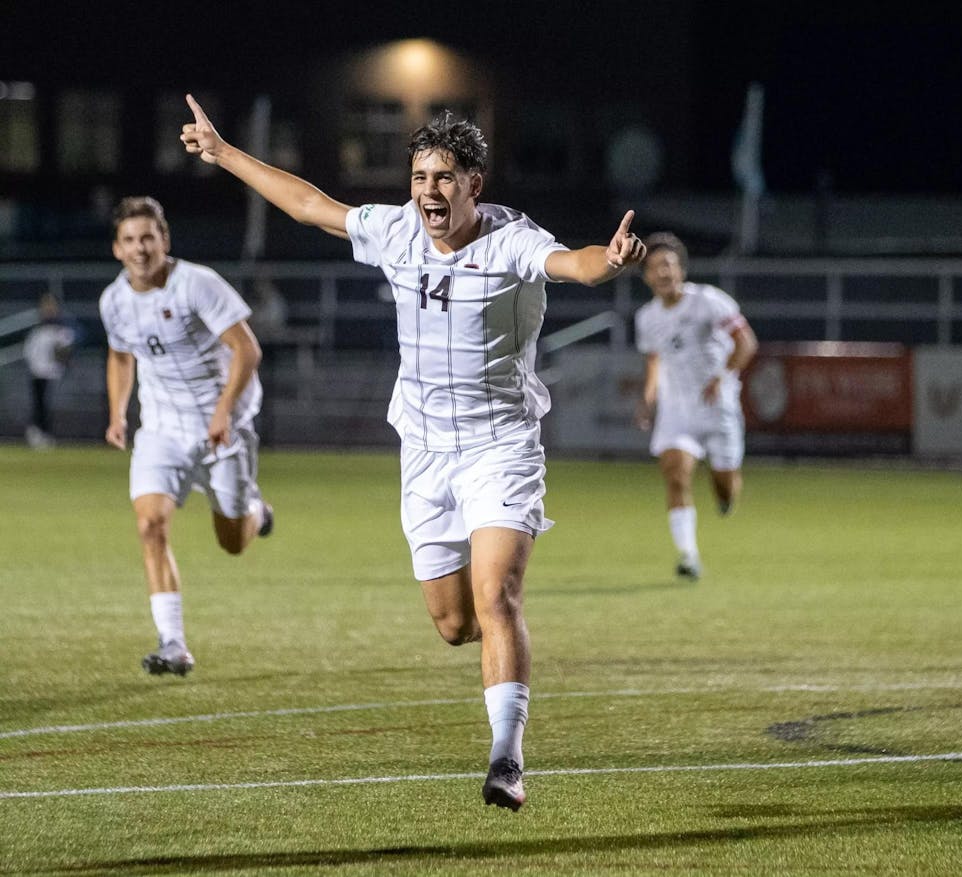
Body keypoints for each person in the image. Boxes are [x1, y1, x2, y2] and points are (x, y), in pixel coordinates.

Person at [180, 94, 645, 810]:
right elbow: (309, 205)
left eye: (445, 177)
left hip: (499, 447)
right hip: (425, 453)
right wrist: (223, 153)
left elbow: (572, 264)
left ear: (473, 185)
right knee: (455, 624)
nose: (430, 190)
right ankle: (498, 668)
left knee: (497, 596)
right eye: (421, 176)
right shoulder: (397, 230)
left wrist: (608, 263)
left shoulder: (510, 240)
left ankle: (507, 759)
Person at [99, 196, 274, 678]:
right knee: (149, 525)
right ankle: (173, 643)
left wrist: (223, 411)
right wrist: (117, 413)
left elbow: (247, 350)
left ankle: (256, 511)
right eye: (130, 240)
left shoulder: (197, 283)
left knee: (232, 542)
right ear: (117, 249)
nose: (140, 249)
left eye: (148, 238)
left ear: (164, 240)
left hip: (223, 427)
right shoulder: (113, 300)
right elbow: (120, 356)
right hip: (162, 429)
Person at [634, 232, 758, 581]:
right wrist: (648, 397)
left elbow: (746, 342)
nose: (663, 272)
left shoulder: (709, 301)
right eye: (655, 267)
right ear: (646, 276)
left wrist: (722, 376)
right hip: (677, 411)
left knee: (724, 485)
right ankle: (688, 555)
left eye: (669, 265)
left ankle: (726, 496)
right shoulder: (646, 317)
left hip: (718, 407)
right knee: (675, 475)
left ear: (682, 270)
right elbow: (654, 359)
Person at [23, 291, 77, 449]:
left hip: (53, 374)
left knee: (48, 405)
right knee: (39, 404)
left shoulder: (62, 330)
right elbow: (29, 352)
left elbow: (66, 352)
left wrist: (62, 359)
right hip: (37, 373)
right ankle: (38, 432)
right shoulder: (37, 331)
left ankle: (46, 433)